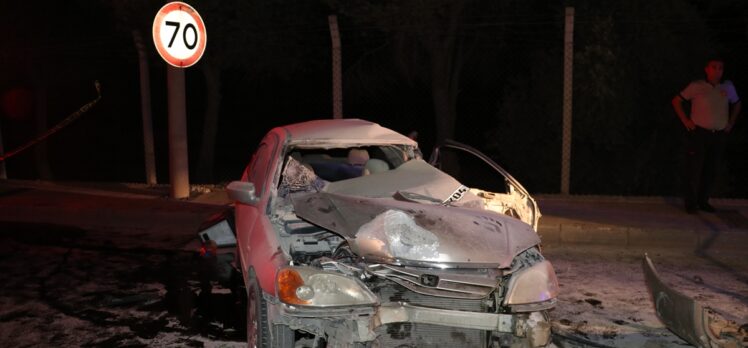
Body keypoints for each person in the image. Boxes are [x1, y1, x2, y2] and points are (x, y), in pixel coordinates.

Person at [671, 57, 741, 214]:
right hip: (700, 133)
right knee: (694, 168)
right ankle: (691, 203)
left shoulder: (727, 87)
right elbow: (676, 101)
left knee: (711, 169)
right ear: (707, 69)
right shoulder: (697, 86)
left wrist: (730, 123)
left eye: (720, 68)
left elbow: (737, 104)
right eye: (714, 67)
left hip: (719, 135)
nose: (718, 71)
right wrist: (686, 120)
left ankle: (703, 201)